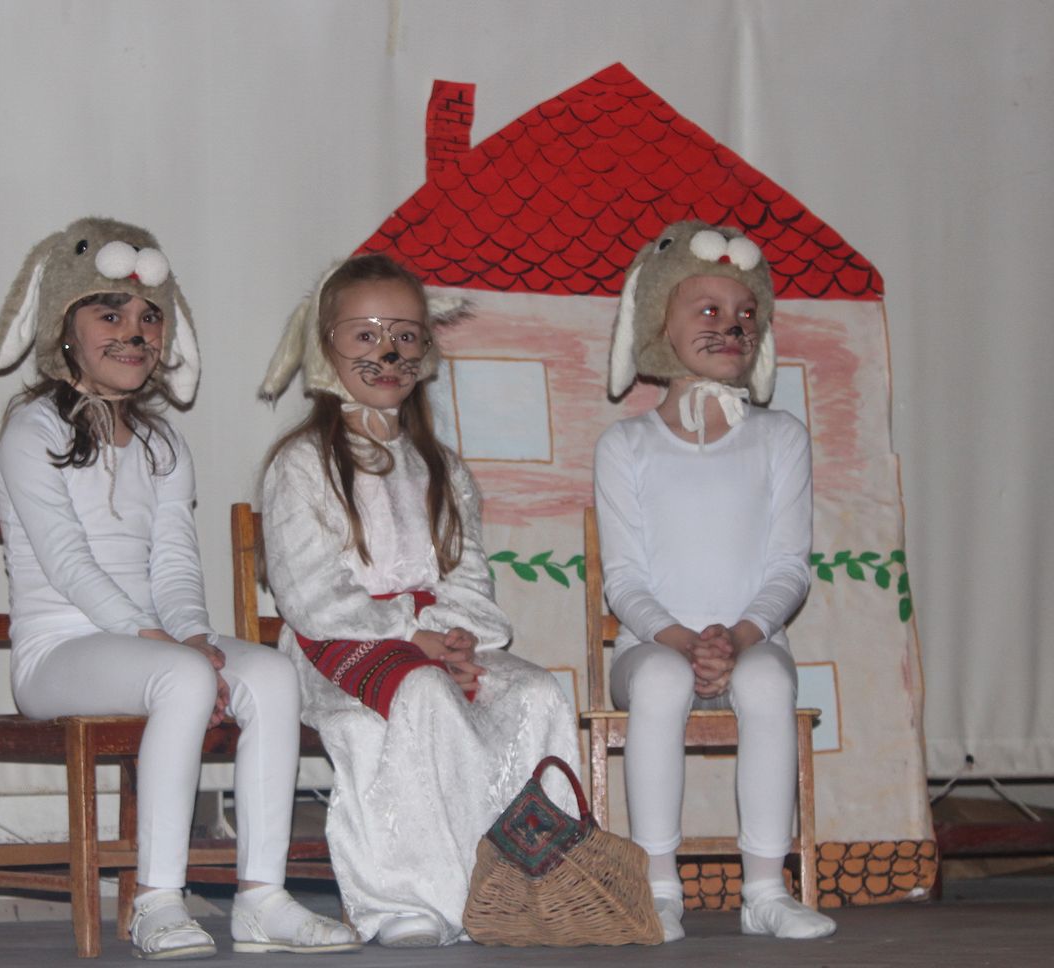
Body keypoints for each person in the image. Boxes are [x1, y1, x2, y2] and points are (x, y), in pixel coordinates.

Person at [0, 217, 359, 960]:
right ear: (64, 327)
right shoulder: (32, 430)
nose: (134, 332)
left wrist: (191, 633)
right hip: (60, 651)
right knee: (184, 678)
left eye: (150, 317)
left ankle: (262, 897)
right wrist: (162, 643)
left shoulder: (162, 442)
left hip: (153, 642)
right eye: (110, 314)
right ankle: (156, 900)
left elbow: (175, 563)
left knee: (272, 674)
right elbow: (66, 560)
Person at [257, 253, 580, 947]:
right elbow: (309, 589)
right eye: (365, 334)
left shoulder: (444, 469)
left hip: (431, 638)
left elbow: (467, 573)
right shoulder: (302, 464)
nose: (388, 351)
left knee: (536, 693)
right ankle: (411, 898)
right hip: (337, 642)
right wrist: (409, 636)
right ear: (325, 346)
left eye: (404, 335)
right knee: (423, 694)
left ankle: (532, 883)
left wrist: (454, 636)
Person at [594, 220, 837, 941]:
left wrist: (738, 637)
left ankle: (764, 888)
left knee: (766, 683)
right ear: (656, 322)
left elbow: (788, 566)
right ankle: (658, 886)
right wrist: (679, 640)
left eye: (746, 313)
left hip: (753, 641)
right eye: (708, 309)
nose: (732, 326)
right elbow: (624, 579)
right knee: (661, 681)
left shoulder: (781, 438)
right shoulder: (626, 445)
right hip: (651, 645)